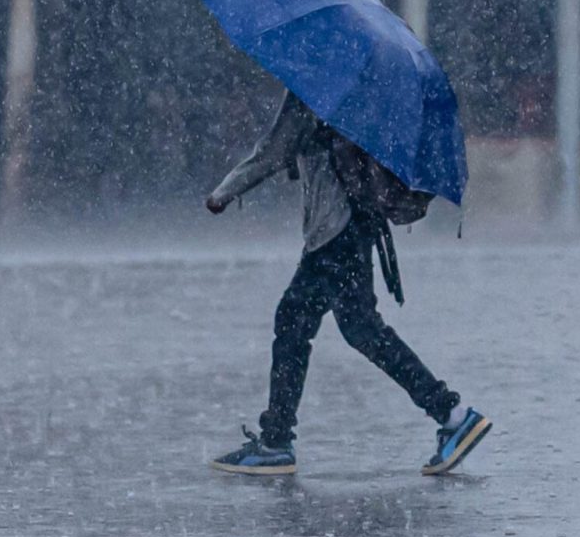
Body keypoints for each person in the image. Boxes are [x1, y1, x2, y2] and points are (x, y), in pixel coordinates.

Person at [204, 90, 491, 476]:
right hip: (354, 225)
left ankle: (276, 441)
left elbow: (273, 151)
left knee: (301, 322)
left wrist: (224, 192)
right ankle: (451, 414)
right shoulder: (358, 91)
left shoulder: (312, 89)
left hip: (334, 232)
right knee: (354, 328)